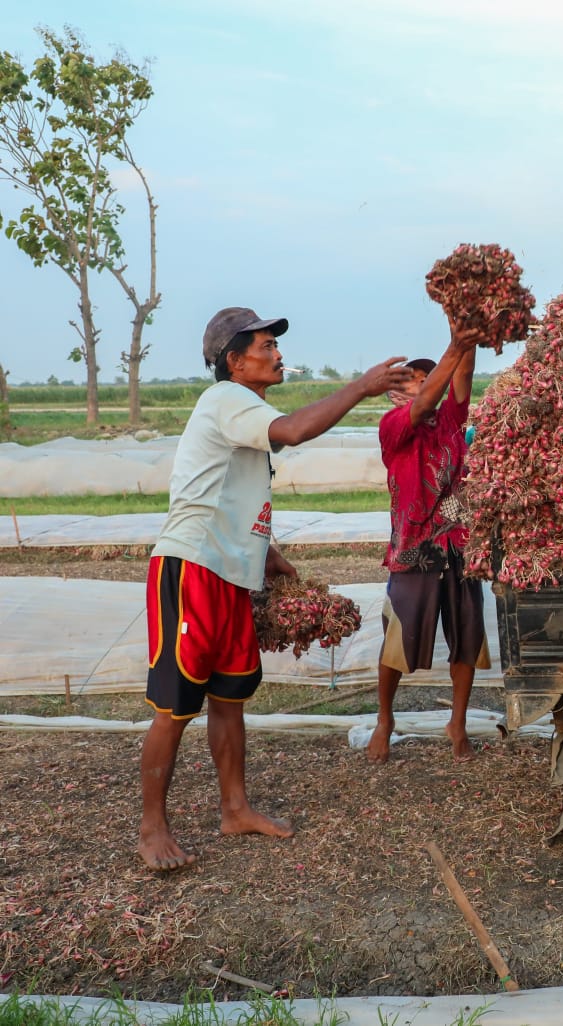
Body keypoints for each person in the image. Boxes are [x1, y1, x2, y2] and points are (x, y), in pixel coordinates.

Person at [139, 307, 414, 871]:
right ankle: (151, 828)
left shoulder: (245, 409)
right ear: (234, 361)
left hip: (232, 574)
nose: (279, 354)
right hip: (191, 569)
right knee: (175, 705)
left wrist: (271, 557)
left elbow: (233, 495)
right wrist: (362, 386)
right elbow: (294, 431)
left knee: (230, 698)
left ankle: (235, 809)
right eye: (267, 345)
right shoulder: (225, 400)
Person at [367, 326, 488, 764]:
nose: (423, 379)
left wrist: (469, 334)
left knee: (467, 639)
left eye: (427, 374)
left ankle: (456, 724)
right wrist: (452, 350)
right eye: (414, 376)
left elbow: (465, 373)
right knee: (398, 640)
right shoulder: (394, 426)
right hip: (414, 548)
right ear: (397, 391)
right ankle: (385, 719)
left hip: (457, 545)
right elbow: (423, 404)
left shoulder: (452, 422)